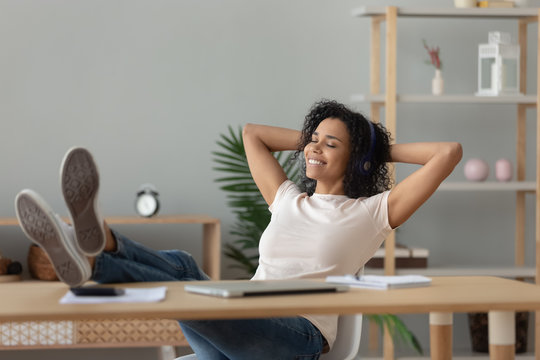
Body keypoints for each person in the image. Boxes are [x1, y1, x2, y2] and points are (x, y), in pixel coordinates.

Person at [15, 100, 462, 360]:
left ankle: (99, 255)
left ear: (358, 158)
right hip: (243, 320)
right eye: (313, 138)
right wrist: (312, 137)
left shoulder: (371, 212)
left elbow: (447, 152)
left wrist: (372, 147)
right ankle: (98, 249)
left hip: (296, 336)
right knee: (185, 265)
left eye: (331, 143)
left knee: (190, 283)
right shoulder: (288, 198)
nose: (313, 147)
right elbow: (253, 134)